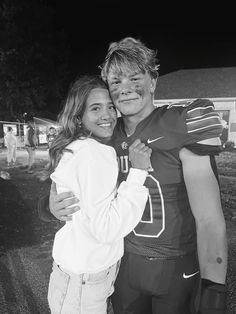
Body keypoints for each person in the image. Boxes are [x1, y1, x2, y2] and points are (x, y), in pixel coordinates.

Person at [43, 37, 227, 314]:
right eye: (116, 82)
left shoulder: (180, 125)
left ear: (153, 81)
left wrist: (214, 287)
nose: (125, 89)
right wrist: (49, 204)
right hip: (124, 267)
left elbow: (209, 219)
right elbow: (70, 175)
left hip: (175, 269)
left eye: (134, 78)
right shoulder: (103, 135)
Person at [46, 75, 152, 314]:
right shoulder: (94, 153)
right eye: (96, 108)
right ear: (79, 117)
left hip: (76, 275)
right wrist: (138, 172)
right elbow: (106, 229)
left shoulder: (78, 147)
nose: (107, 115)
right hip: (83, 279)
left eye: (110, 107)